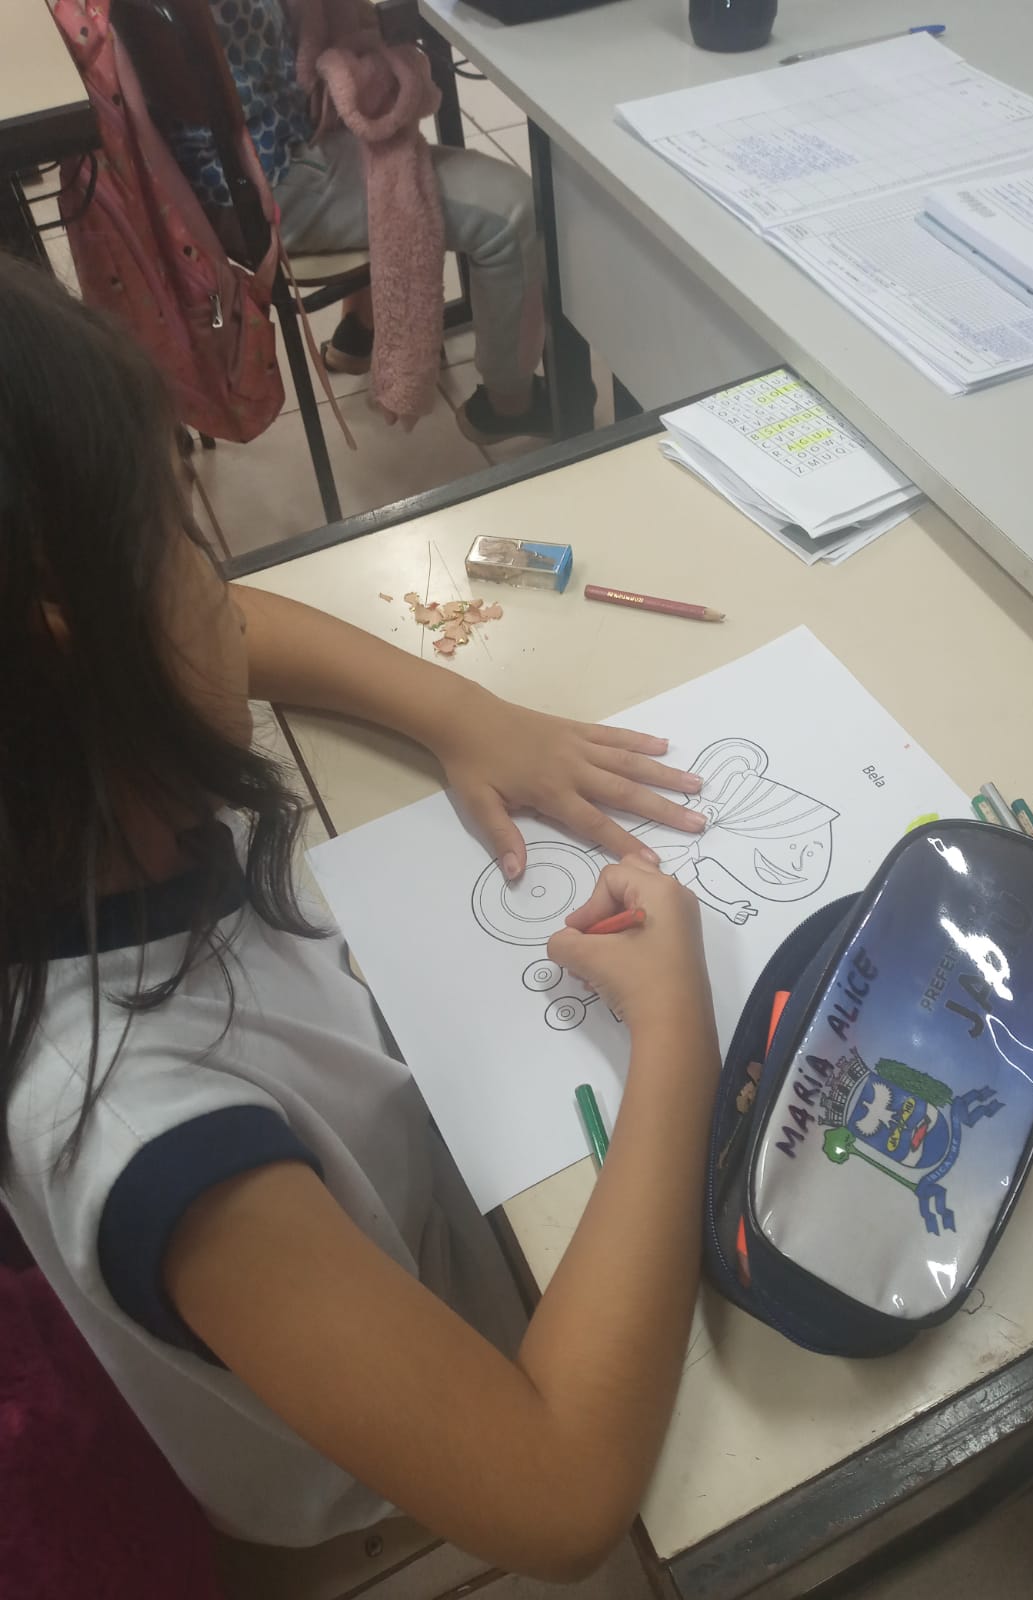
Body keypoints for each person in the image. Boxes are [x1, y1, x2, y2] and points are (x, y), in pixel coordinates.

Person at [0, 255, 720, 1577]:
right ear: (75, 643)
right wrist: (678, 1035)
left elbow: (240, 630)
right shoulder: (162, 1145)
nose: (221, 581)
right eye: (183, 540)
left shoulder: (69, 797)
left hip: (376, 1171)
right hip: (389, 1425)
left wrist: (463, 710)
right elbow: (559, 1494)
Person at [167, 0, 549, 444]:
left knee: (366, 91)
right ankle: (510, 403)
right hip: (265, 184)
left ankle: (359, 330)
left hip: (228, 172)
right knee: (513, 213)